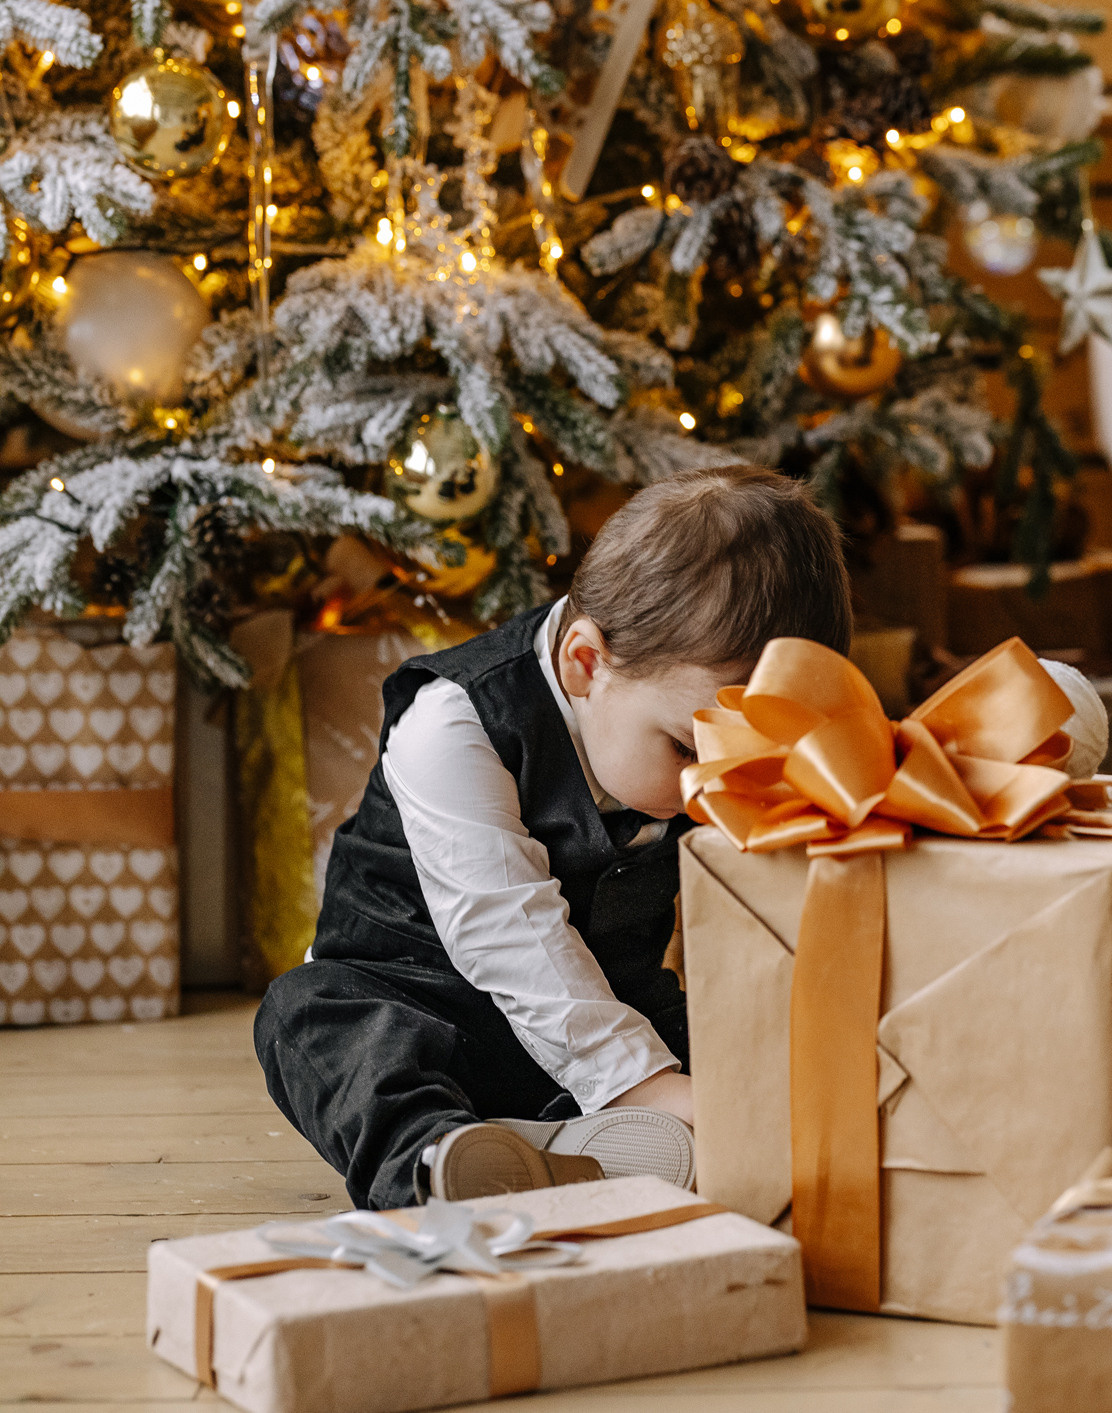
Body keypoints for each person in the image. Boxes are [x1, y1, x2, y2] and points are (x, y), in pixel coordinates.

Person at [256, 466, 852, 1206]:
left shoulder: (659, 714)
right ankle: (442, 1163)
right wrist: (639, 1081)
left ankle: (576, 1144)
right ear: (585, 663)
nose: (713, 785)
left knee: (737, 1051)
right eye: (689, 751)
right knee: (312, 1018)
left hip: (607, 1009)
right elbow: (503, 927)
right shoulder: (454, 720)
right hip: (423, 1004)